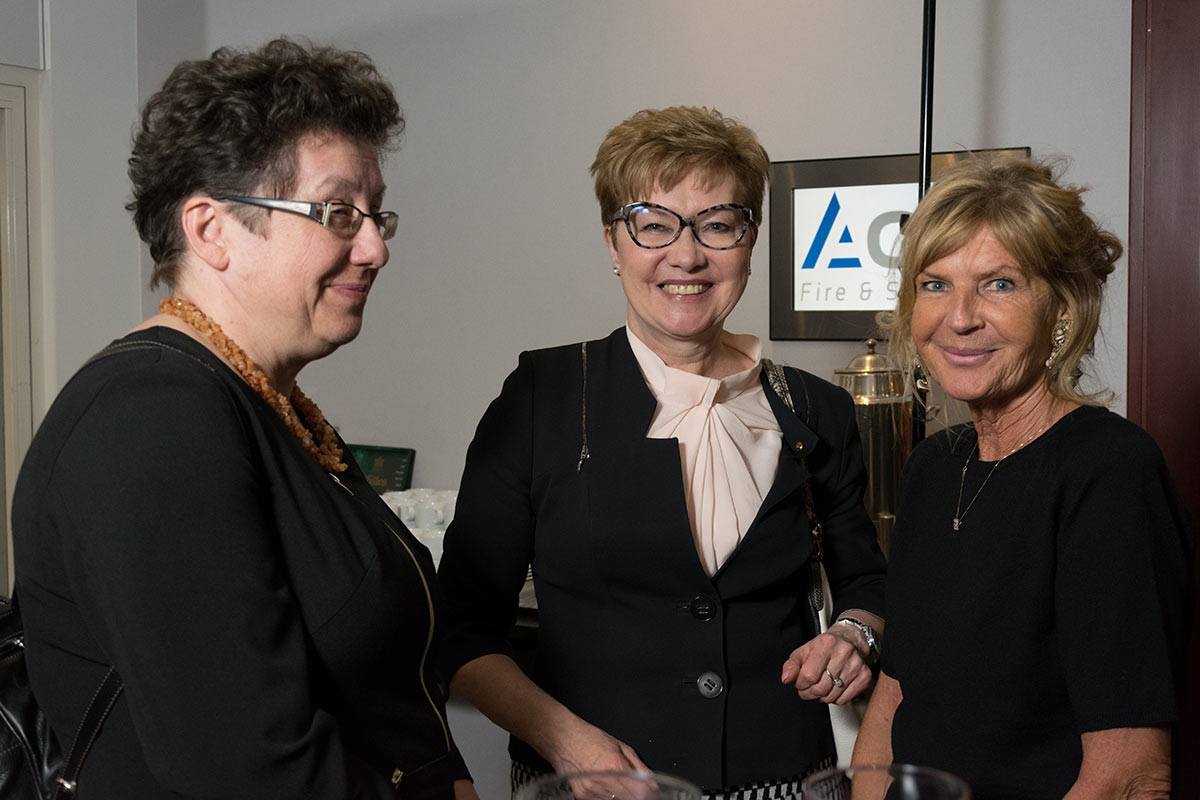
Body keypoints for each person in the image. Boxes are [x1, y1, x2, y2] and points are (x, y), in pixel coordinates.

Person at [12, 39, 477, 800]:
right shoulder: (148, 420)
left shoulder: (267, 401)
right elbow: (251, 769)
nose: (375, 248)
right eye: (337, 212)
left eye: (375, 214)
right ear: (211, 229)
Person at [437, 106, 887, 799]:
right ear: (613, 243)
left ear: (749, 240)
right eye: (653, 224)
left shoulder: (815, 408)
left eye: (718, 224)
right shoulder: (542, 397)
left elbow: (868, 586)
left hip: (788, 783)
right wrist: (565, 740)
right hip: (590, 786)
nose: (686, 255)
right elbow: (461, 629)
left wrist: (854, 636)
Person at [854, 156, 1192, 799]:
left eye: (999, 284)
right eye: (935, 284)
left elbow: (1128, 774)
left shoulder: (1109, 472)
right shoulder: (934, 465)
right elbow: (896, 698)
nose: (960, 317)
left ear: (1062, 309)